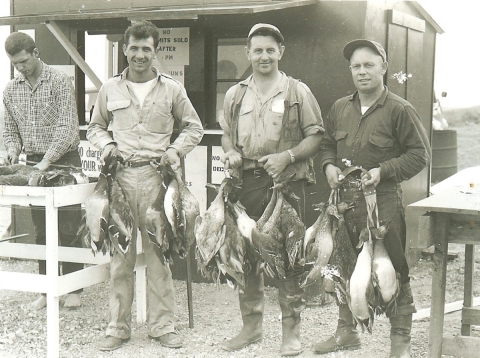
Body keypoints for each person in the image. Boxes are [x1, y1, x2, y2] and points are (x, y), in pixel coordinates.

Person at [87, 20, 204, 351]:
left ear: (155, 51)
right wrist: (106, 145)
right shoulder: (110, 89)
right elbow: (95, 126)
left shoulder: (172, 89)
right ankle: (117, 327)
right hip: (120, 181)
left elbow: (193, 128)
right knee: (120, 258)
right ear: (125, 49)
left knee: (159, 256)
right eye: (134, 48)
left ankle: (163, 325)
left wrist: (174, 150)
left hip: (158, 182)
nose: (140, 55)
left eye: (146, 49)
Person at [314, 39, 431, 357]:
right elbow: (326, 143)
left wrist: (385, 170)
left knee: (393, 269)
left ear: (384, 67)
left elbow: (420, 155)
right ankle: (345, 333)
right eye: (356, 66)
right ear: (350, 70)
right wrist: (327, 165)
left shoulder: (399, 110)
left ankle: (400, 341)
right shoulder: (340, 108)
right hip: (344, 204)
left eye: (369, 64)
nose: (362, 71)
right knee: (340, 267)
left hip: (384, 204)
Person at [219, 23, 324, 356]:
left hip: (286, 185)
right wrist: (231, 151)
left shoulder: (297, 91)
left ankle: (291, 333)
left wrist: (288, 157)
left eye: (270, 49)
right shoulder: (236, 94)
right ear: (247, 53)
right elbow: (226, 135)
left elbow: (316, 136)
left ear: (281, 52)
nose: (263, 56)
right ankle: (251, 328)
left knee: (289, 260)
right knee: (246, 256)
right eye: (257, 50)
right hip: (246, 183)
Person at [3, 32, 84, 310]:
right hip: (34, 162)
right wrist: (12, 150)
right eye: (15, 64)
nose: (21, 68)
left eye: (24, 61)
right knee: (41, 229)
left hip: (65, 159)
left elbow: (68, 128)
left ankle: (74, 287)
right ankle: (46, 290)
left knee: (70, 226)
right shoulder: (10, 90)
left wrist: (47, 161)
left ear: (35, 52)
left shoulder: (60, 82)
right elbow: (10, 129)